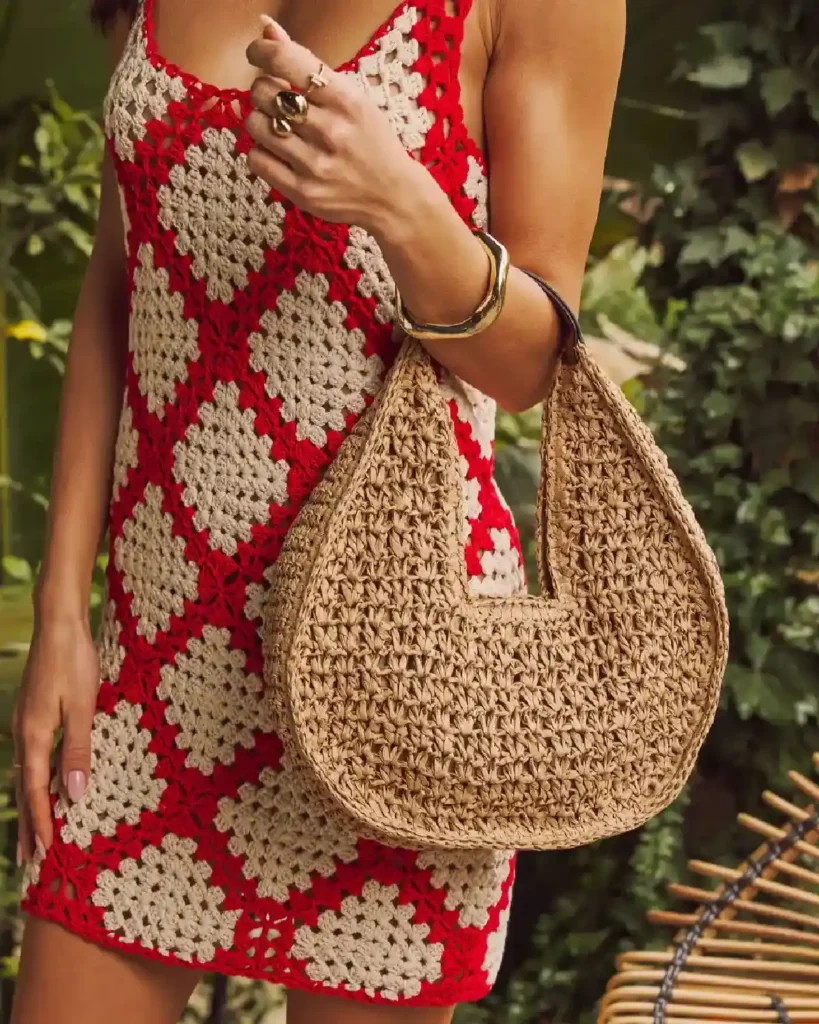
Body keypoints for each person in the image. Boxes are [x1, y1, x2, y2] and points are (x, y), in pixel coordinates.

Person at [10, 1, 625, 1021]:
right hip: (156, 674)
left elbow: (532, 363)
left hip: (396, 680)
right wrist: (63, 613)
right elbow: (120, 279)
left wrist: (401, 204)